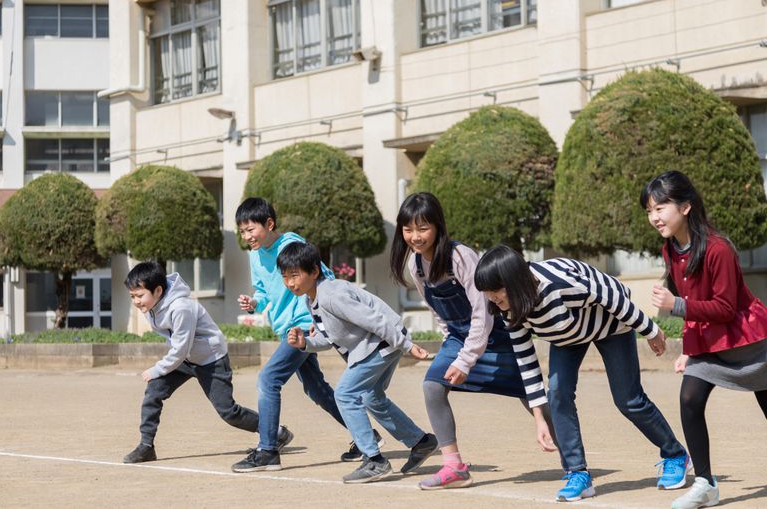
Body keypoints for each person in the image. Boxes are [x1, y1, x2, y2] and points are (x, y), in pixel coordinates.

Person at [474, 245, 690, 502]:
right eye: (489, 296)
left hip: (610, 324)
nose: (492, 300)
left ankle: (675, 454)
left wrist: (650, 330)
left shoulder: (560, 285)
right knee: (558, 394)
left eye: (496, 294)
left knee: (628, 400)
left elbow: (613, 298)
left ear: (515, 281)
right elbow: (525, 359)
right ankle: (577, 473)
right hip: (567, 334)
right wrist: (539, 416)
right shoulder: (507, 307)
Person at [389, 192, 557, 490]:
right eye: (408, 229)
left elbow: (484, 314)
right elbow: (437, 312)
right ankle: (454, 467)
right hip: (458, 338)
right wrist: (450, 349)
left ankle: (573, 459)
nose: (415, 236)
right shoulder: (416, 265)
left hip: (497, 335)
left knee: (534, 400)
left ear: (438, 227)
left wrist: (466, 360)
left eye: (423, 228)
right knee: (432, 386)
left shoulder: (460, 257)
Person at [642, 170, 767, 509]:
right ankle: (705, 484)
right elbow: (694, 305)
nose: (654, 217)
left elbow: (725, 308)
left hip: (750, 343)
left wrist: (675, 305)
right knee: (690, 400)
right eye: (649, 211)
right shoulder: (671, 250)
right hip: (710, 343)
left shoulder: (718, 248)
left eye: (660, 208)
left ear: (685, 206)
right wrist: (689, 351)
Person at [280, 241, 438, 484]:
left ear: (313, 271)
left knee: (345, 394)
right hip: (380, 345)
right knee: (371, 397)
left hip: (380, 344)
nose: (290, 282)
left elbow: (374, 320)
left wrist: (407, 345)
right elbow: (332, 337)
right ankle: (421, 441)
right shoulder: (312, 299)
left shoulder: (332, 294)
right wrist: (306, 343)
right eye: (285, 276)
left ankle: (374, 460)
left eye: (294, 275)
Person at [231, 198, 355, 473]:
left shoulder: (291, 245)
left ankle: (267, 451)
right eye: (242, 231)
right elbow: (263, 291)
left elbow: (323, 276)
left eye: (251, 229)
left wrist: (320, 317)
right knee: (317, 389)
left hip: (302, 324)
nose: (247, 236)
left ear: (269, 224)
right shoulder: (254, 255)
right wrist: (255, 303)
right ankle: (365, 435)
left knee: (268, 379)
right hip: (286, 328)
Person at [122, 261, 260, 464]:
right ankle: (146, 446)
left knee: (228, 412)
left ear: (158, 290)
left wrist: (157, 369)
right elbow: (180, 349)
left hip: (210, 359)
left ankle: (273, 431)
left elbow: (180, 349)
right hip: (186, 358)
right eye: (132, 296)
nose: (136, 301)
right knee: (154, 392)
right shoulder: (155, 305)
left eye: (140, 295)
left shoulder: (181, 308)